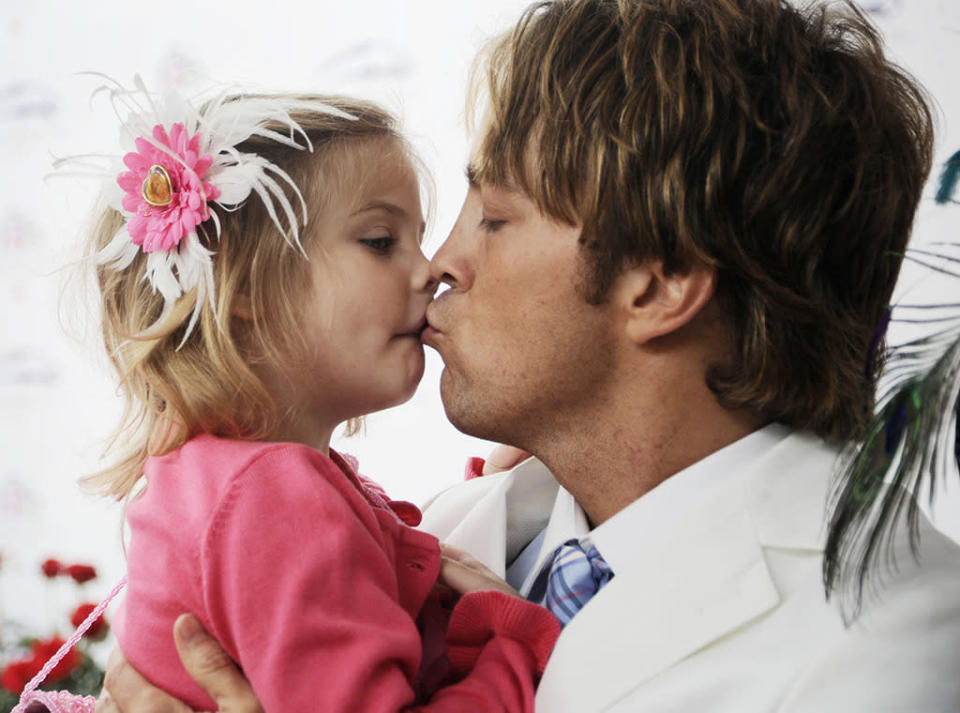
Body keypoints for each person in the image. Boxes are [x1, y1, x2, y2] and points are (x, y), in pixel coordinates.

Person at [97, 0, 960, 711]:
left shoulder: (891, 645)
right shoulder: (429, 529)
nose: (439, 262)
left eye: (497, 219)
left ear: (660, 283)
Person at [39, 83, 561, 713]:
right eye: (380, 241)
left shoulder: (224, 476)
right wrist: (516, 645)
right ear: (248, 282)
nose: (428, 270)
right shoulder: (275, 495)